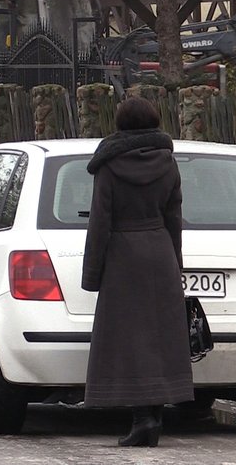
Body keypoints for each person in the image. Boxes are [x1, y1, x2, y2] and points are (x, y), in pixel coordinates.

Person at [81, 97, 194, 447]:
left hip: (122, 255)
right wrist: (175, 261)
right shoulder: (168, 163)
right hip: (159, 249)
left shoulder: (109, 165)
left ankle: (142, 418)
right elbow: (174, 216)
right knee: (159, 336)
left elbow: (100, 221)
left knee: (128, 338)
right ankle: (154, 415)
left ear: (120, 124)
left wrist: (92, 273)